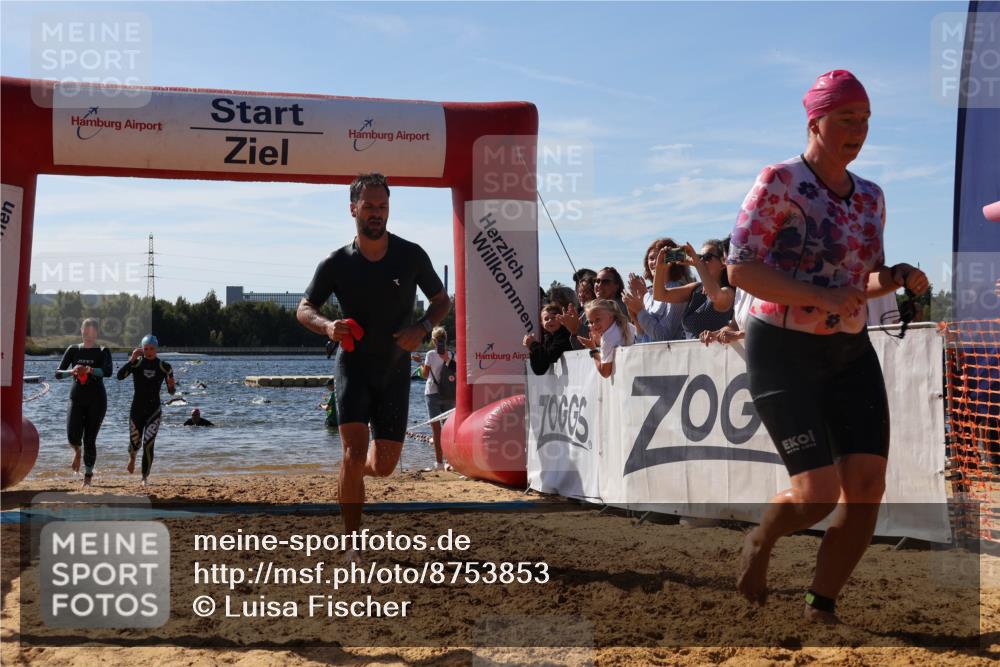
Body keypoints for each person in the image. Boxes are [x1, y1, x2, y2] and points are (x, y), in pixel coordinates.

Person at [726, 70, 929, 623]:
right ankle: (761, 540)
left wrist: (896, 276)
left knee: (866, 487)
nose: (858, 131)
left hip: (848, 352)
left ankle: (822, 604)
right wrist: (821, 295)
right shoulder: (780, 181)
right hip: (782, 351)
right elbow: (741, 269)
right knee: (816, 494)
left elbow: (861, 279)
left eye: (865, 120)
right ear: (815, 122)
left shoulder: (871, 196)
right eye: (846, 119)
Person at [296, 172, 449, 547]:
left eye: (383, 206)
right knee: (352, 452)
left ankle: (354, 471)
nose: (376, 213)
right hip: (353, 366)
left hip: (394, 370)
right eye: (369, 206)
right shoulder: (336, 262)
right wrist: (327, 326)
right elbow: (304, 308)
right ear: (354, 209)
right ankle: (351, 545)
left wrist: (423, 327)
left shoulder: (410, 255)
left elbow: (442, 300)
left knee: (383, 466)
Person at [55, 318, 113, 487]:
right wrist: (72, 371)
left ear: (96, 333)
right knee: (72, 436)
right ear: (81, 331)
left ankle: (87, 477)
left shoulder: (103, 350)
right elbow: (57, 374)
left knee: (89, 439)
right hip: (77, 398)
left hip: (97, 400)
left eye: (92, 331)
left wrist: (89, 369)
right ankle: (77, 451)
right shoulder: (73, 350)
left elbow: (108, 372)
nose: (88, 334)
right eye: (85, 331)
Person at [117, 334, 176, 487]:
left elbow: (171, 392)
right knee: (135, 442)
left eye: (151, 349)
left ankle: (144, 477)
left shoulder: (165, 366)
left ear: (156, 349)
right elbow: (119, 376)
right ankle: (132, 457)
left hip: (153, 411)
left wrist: (171, 385)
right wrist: (131, 359)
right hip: (136, 410)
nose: (149, 352)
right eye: (146, 349)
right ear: (142, 349)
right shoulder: (136, 363)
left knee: (148, 444)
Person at [653, 239, 736, 340]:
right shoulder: (696, 289)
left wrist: (697, 263)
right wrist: (660, 266)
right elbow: (660, 295)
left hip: (715, 350)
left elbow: (714, 295)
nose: (701, 261)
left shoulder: (728, 292)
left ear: (723, 263)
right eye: (700, 257)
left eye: (707, 257)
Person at [624, 238, 692, 342]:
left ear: (672, 261)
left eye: (661, 257)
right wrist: (635, 318)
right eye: (651, 258)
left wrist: (639, 311)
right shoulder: (649, 293)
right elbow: (643, 338)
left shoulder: (677, 289)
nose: (655, 262)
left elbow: (665, 337)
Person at [416, 327, 455, 471]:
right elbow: (457, 372)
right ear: (445, 339)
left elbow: (425, 375)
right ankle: (450, 462)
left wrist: (420, 363)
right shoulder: (452, 354)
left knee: (436, 430)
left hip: (432, 394)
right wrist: (447, 360)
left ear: (433, 340)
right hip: (449, 394)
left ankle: (439, 463)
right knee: (449, 429)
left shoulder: (430, 354)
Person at [576, 299, 636, 378]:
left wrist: (593, 349)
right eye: (591, 322)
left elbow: (605, 373)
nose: (594, 325)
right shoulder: (624, 324)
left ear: (610, 316)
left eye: (598, 319)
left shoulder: (607, 339)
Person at [523, 303, 573, 375]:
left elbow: (551, 356)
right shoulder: (548, 338)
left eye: (553, 318)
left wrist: (533, 345)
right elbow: (540, 370)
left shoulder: (565, 334)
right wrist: (531, 348)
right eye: (546, 319)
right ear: (542, 324)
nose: (550, 320)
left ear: (561, 319)